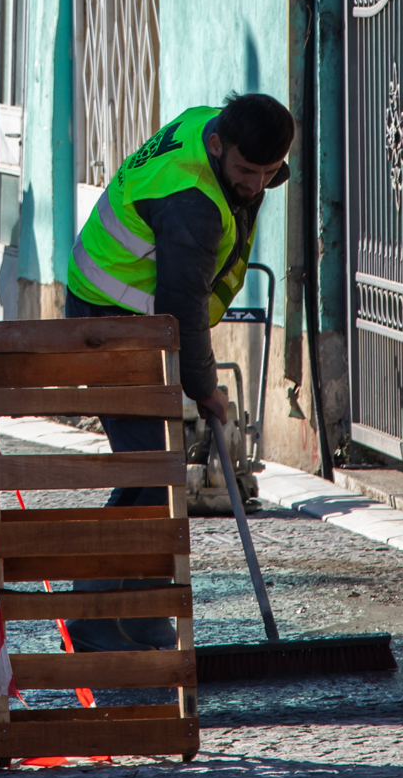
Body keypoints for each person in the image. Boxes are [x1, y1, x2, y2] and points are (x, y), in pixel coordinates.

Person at [60, 93, 294, 653]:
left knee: (157, 473)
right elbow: (180, 308)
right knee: (150, 473)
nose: (256, 185)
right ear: (217, 145)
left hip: (133, 315)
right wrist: (205, 389)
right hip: (111, 319)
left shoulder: (212, 130)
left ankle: (141, 614)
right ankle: (94, 618)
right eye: (246, 170)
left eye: (269, 173)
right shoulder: (192, 201)